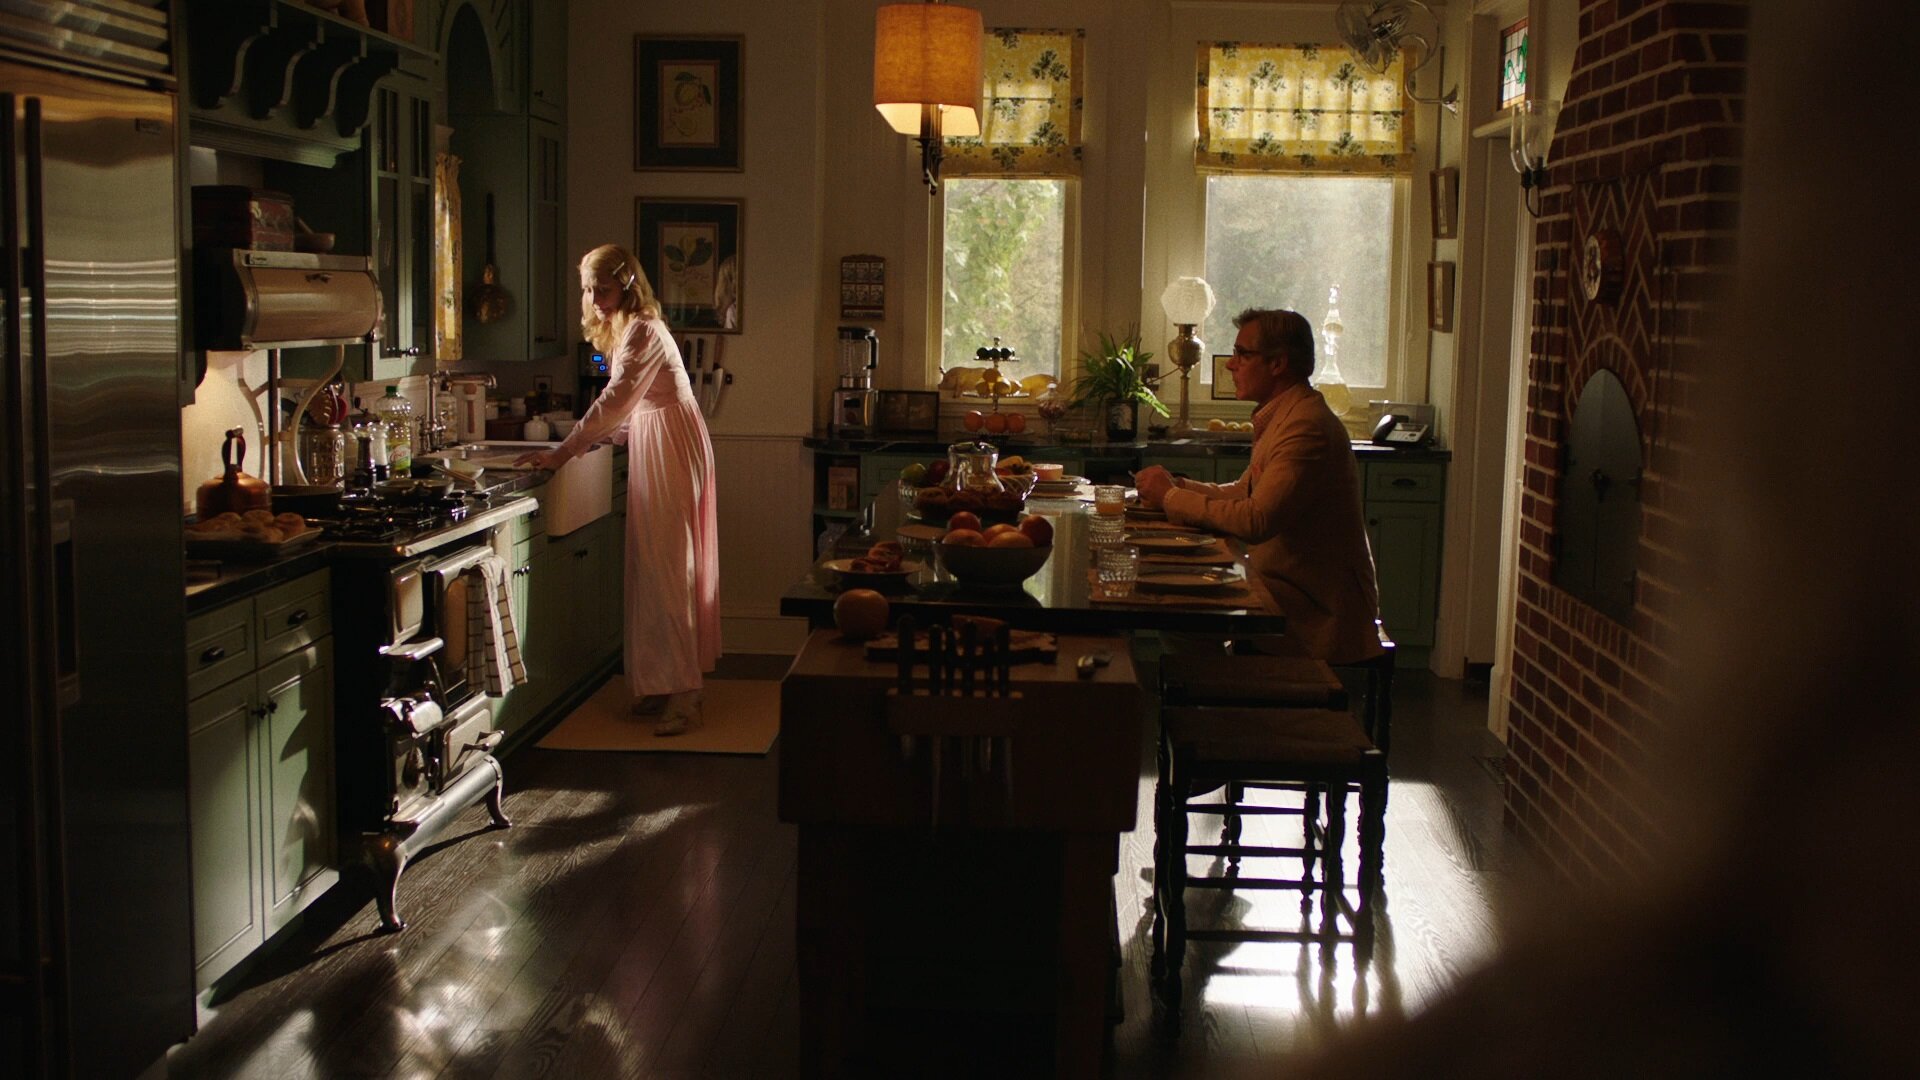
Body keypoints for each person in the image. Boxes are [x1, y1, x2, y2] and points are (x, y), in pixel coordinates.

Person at [516, 245, 720, 734]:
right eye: (588, 290)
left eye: (602, 289)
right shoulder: (631, 328)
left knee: (668, 570)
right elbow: (633, 409)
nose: (594, 299)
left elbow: (616, 400)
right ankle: (662, 681)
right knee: (653, 569)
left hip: (671, 447)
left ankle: (685, 694)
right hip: (661, 438)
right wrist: (595, 441)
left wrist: (565, 451)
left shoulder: (644, 330)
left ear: (626, 286)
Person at [1133, 308, 1381, 664]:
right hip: (1289, 588)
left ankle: (1217, 693)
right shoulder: (1288, 412)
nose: (1231, 365)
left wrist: (1170, 496)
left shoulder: (1306, 426)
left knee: (1179, 613)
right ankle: (1213, 690)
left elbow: (1256, 519)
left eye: (1242, 354)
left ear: (1277, 364)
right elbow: (1244, 491)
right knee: (1178, 604)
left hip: (1318, 610)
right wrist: (1178, 486)